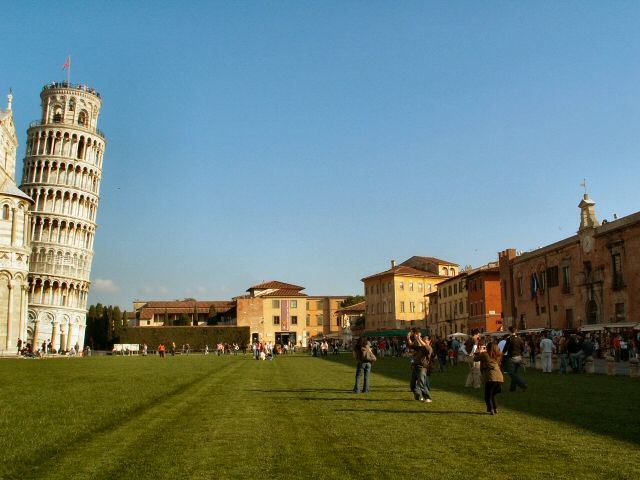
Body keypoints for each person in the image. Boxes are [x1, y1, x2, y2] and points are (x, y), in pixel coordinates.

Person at [474, 342, 504, 415]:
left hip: (491, 378)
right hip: (500, 378)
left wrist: (479, 352)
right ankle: (495, 408)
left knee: (488, 395)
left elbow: (475, 359)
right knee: (493, 395)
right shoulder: (498, 356)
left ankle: (491, 410)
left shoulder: (485, 355)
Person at [407, 330, 434, 402]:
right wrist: (408, 338)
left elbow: (425, 346)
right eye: (423, 339)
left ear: (429, 341)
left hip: (422, 368)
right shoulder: (421, 348)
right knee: (412, 385)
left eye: (426, 339)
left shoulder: (429, 348)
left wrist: (419, 338)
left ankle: (428, 398)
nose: (424, 340)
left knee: (421, 384)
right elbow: (411, 345)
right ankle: (418, 396)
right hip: (415, 367)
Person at [504, 326, 527, 392]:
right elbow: (523, 348)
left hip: (511, 357)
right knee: (515, 373)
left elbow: (505, 348)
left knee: (511, 373)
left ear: (509, 331)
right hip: (519, 357)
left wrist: (501, 354)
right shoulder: (520, 338)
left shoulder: (509, 339)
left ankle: (523, 384)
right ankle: (512, 388)